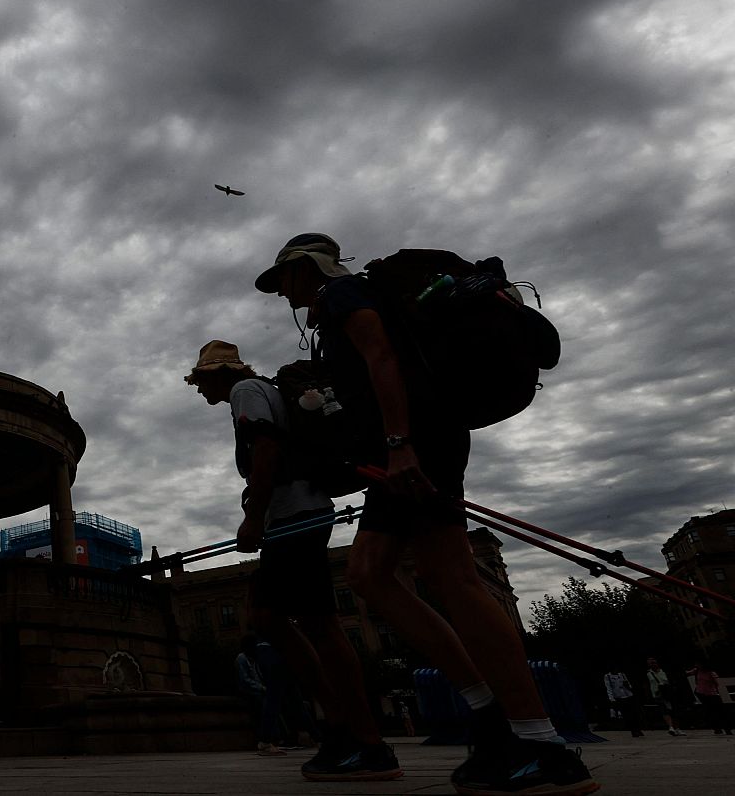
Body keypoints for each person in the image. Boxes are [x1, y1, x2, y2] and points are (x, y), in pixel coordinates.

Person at [255, 234, 597, 796]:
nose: (281, 293)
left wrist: (398, 442)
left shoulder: (343, 293)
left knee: (453, 575)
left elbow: (382, 355)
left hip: (416, 446)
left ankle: (541, 744)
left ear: (304, 269)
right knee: (368, 574)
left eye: (283, 279)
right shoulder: (338, 308)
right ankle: (487, 713)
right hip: (405, 449)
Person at [188, 340, 400, 781]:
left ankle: (361, 738)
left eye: (201, 379)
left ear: (217, 374)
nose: (199, 388)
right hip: (299, 513)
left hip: (295, 515)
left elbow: (265, 451)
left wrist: (252, 518)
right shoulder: (260, 389)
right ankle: (343, 727)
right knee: (268, 617)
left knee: (316, 622)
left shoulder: (245, 391)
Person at [236, 632, 284, 755]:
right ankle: (270, 739)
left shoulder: (255, 658)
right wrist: (262, 688)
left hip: (259, 689)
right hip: (250, 691)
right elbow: (245, 680)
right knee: (265, 705)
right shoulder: (242, 658)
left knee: (272, 703)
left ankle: (276, 738)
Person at [645, 657, 686, 735]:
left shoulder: (664, 672)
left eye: (654, 662)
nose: (652, 664)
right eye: (650, 663)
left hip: (669, 694)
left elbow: (671, 681)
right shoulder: (648, 673)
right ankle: (671, 727)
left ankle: (677, 728)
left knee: (674, 711)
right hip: (658, 695)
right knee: (665, 711)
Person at [602, 665, 643, 737]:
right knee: (628, 715)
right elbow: (609, 688)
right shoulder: (607, 676)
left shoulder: (622, 674)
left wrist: (628, 686)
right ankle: (633, 731)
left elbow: (629, 685)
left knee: (634, 713)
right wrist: (611, 699)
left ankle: (638, 729)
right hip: (619, 697)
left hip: (628, 695)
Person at [689, 663, 728, 735]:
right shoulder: (697, 671)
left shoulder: (711, 673)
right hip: (701, 693)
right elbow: (688, 673)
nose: (697, 666)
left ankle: (726, 728)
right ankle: (716, 728)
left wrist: (712, 686)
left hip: (712, 694)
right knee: (709, 711)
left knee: (718, 711)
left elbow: (717, 683)